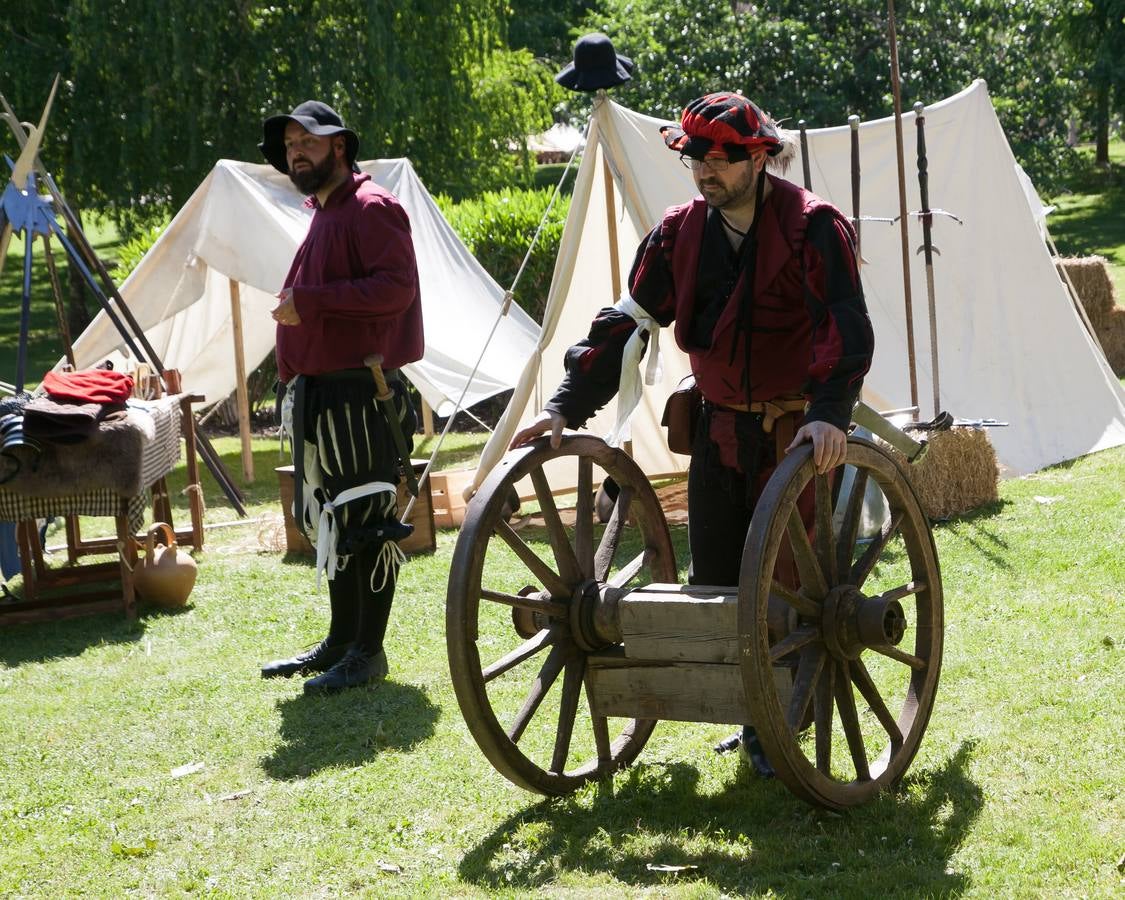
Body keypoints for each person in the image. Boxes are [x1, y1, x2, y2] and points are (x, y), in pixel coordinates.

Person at [510, 92, 874, 774]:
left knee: (786, 584)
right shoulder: (677, 235)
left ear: (758, 156)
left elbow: (842, 326)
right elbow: (624, 325)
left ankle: (786, 717)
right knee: (714, 584)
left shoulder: (814, 227)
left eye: (719, 160)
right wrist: (563, 407)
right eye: (695, 160)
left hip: (793, 434)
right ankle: (749, 712)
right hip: (716, 431)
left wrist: (828, 413)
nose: (705, 173)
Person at [257, 100, 423, 694]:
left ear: (340, 148)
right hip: (322, 394)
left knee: (367, 521)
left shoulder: (372, 208)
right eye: (291, 143)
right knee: (334, 517)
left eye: (309, 140)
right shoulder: (324, 213)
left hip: (359, 392)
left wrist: (314, 301)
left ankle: (369, 652)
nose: (298, 150)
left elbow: (395, 288)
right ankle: (341, 642)